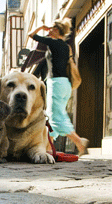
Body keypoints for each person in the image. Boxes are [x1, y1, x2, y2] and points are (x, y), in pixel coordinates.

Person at [28, 17, 89, 157]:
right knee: (55, 114)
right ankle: (48, 147)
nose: (49, 31)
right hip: (65, 85)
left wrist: (42, 28)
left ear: (56, 30)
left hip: (55, 83)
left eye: (52, 29)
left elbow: (31, 35)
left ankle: (79, 141)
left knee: (55, 118)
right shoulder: (66, 47)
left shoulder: (53, 42)